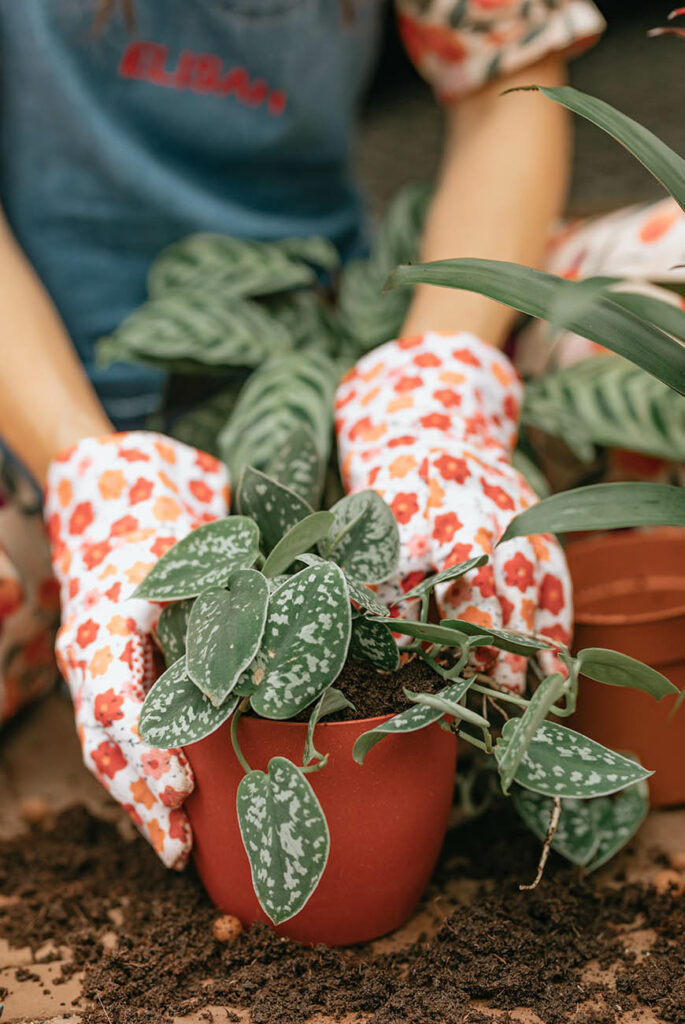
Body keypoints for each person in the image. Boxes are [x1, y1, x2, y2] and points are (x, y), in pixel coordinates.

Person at [0, 0, 649, 869]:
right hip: (36, 395)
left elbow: (508, 79)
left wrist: (438, 381)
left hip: (342, 337)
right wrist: (90, 478)